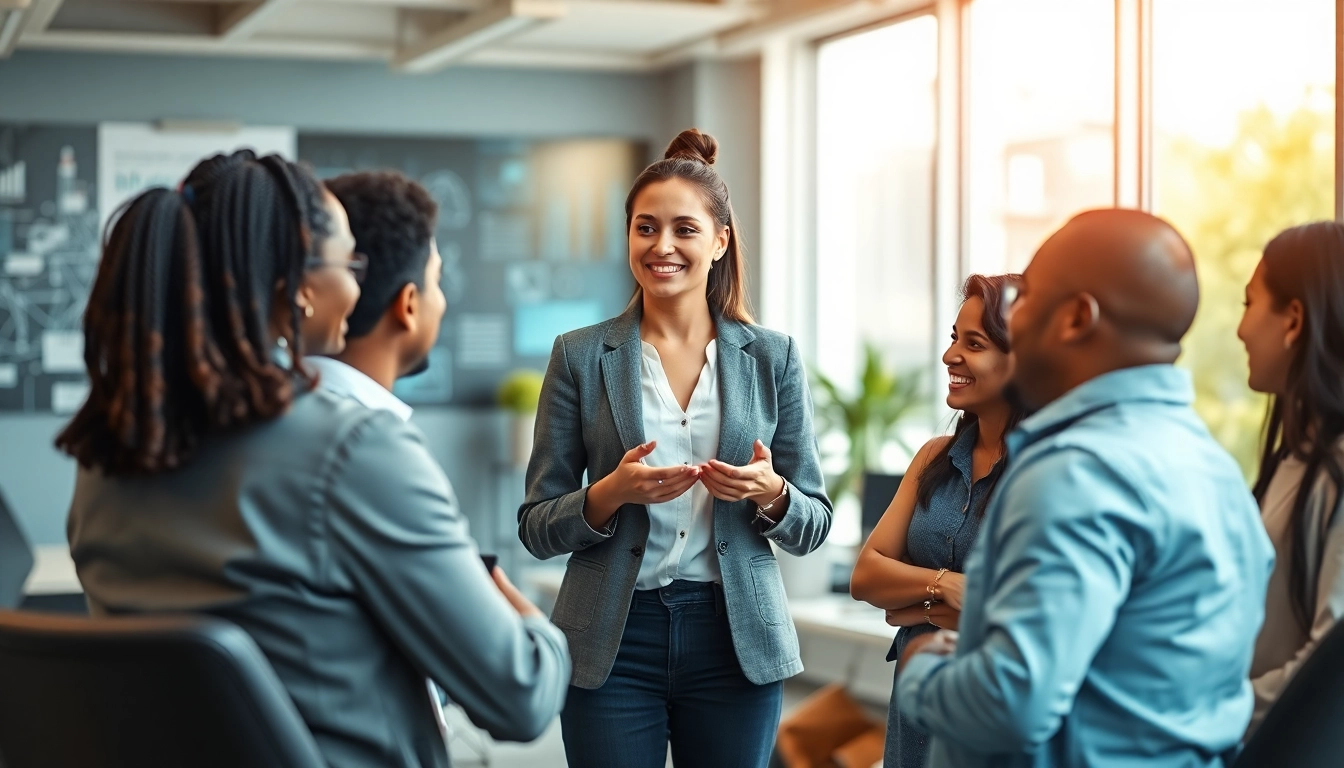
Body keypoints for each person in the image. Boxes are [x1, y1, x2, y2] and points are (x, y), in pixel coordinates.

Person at [61, 151, 569, 768]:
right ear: (299, 286)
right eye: (348, 262)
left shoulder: (109, 456)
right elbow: (522, 697)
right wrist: (530, 618)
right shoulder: (352, 448)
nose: (358, 286)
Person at [896, 208, 1275, 767]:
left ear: (1076, 318)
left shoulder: (1076, 471)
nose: (1014, 319)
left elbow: (1010, 704)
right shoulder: (1213, 468)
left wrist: (925, 667)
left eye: (1026, 301)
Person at [518, 129, 832, 768]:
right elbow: (535, 527)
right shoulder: (579, 356)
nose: (662, 246)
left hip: (735, 640)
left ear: (720, 241)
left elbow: (815, 524)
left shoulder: (773, 357)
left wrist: (770, 492)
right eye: (645, 228)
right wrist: (610, 493)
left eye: (684, 229)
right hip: (610, 640)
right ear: (628, 236)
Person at [849, 273, 1026, 768]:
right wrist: (947, 589)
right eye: (954, 338)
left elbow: (1010, 614)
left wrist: (911, 602)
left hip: (987, 714)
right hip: (914, 714)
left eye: (975, 343)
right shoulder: (934, 458)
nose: (951, 356)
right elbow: (866, 575)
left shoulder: (1042, 475)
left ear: (1020, 359)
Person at [1237, 221, 1344, 732]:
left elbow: (1329, 664)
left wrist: (1212, 713)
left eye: (1249, 303)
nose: (1240, 329)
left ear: (1293, 319)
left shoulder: (1337, 472)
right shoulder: (1291, 461)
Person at [313, 169, 446, 414]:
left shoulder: (259, 406)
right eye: (436, 279)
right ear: (408, 305)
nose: (441, 302)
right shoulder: (377, 444)